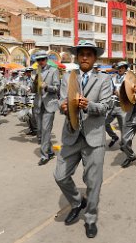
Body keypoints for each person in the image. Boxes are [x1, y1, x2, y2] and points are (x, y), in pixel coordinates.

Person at [54, 40, 111, 238]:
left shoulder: (104, 80)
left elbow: (105, 107)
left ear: (95, 58)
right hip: (71, 133)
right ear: (77, 57)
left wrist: (89, 105)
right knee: (60, 175)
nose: (85, 57)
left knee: (93, 182)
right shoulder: (68, 78)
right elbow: (61, 100)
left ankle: (90, 219)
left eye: (89, 54)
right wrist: (62, 106)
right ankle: (78, 201)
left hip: (94, 137)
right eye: (81, 54)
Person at [33, 51, 61, 166]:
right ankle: (49, 151)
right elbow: (34, 89)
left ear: (46, 59)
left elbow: (57, 88)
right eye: (38, 60)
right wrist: (33, 84)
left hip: (49, 104)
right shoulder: (37, 71)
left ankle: (44, 155)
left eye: (42, 59)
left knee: (45, 130)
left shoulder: (54, 70)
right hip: (39, 104)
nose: (40, 62)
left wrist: (47, 86)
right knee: (40, 130)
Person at [105, 61, 127, 148]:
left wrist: (121, 94)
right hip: (112, 106)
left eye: (122, 68)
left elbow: (131, 93)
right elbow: (110, 90)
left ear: (125, 69)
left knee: (123, 128)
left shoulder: (128, 79)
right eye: (119, 67)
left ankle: (124, 145)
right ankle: (114, 137)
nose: (120, 69)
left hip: (123, 107)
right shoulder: (113, 78)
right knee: (104, 123)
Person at [20, 67, 37, 136]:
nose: (28, 73)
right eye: (27, 72)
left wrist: (30, 88)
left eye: (29, 72)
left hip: (32, 97)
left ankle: (35, 129)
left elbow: (35, 88)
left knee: (31, 114)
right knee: (27, 114)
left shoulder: (34, 79)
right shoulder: (24, 80)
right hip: (25, 97)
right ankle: (31, 128)